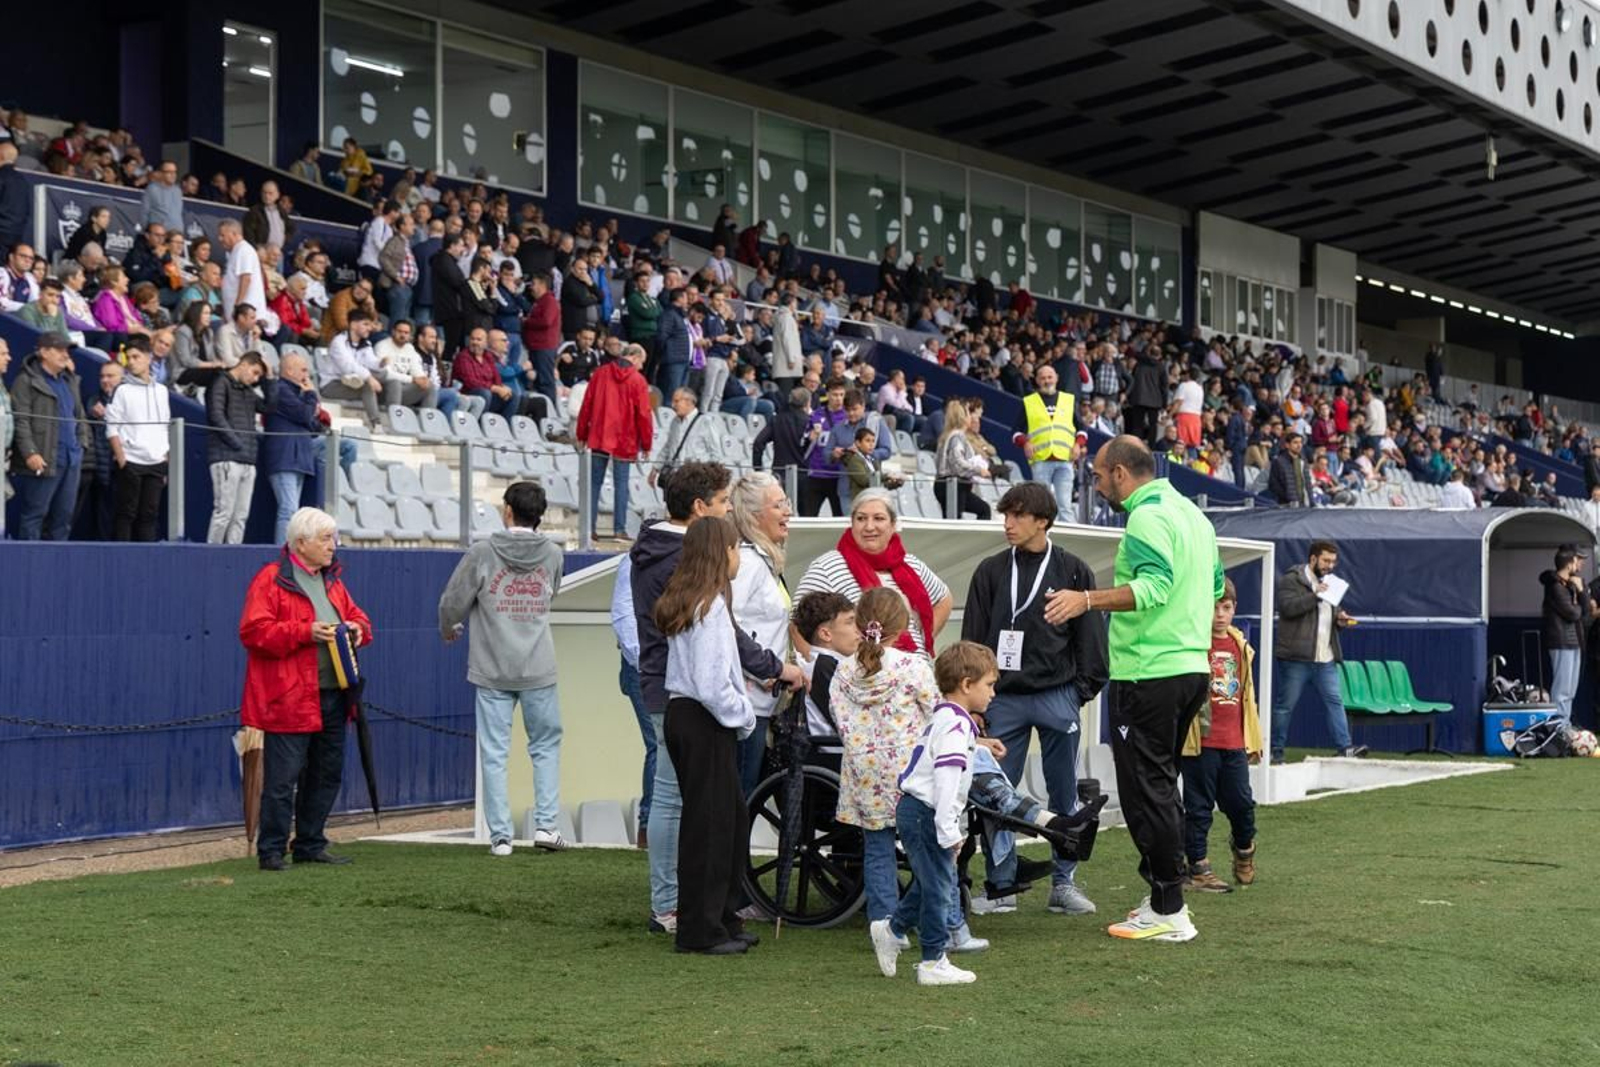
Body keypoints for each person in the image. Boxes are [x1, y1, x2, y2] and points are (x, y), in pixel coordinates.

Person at [1045, 436, 1221, 943]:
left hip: (1149, 671)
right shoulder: (1195, 517)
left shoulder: (1146, 517)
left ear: (1120, 473)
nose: (1098, 485)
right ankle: (1166, 895)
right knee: (1161, 784)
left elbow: (1154, 588)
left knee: (1147, 790)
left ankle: (1168, 906)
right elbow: (1214, 588)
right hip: (1190, 667)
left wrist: (1085, 600)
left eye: (1099, 476)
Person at [631, 463, 803, 936]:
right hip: (691, 699)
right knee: (687, 806)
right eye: (724, 502)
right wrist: (755, 693)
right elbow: (721, 642)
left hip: (680, 693)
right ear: (699, 507)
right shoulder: (691, 574)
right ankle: (680, 907)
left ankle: (696, 907)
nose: (730, 511)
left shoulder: (667, 559)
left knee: (697, 806)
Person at [961, 481, 1107, 914]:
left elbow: (1091, 640)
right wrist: (973, 705)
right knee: (994, 796)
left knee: (1064, 795)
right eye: (1005, 515)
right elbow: (972, 639)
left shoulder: (1074, 569)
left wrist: (1078, 694)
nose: (1007, 523)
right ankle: (1002, 886)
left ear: (1042, 521)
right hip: (1001, 699)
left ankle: (1063, 884)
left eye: (1017, 515)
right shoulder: (990, 570)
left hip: (1058, 695)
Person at [438, 481, 568, 855]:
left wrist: (449, 627)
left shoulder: (482, 552)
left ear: (507, 511)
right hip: (538, 664)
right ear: (539, 515)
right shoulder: (553, 554)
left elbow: (452, 601)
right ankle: (547, 826)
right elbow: (551, 594)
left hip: (491, 665)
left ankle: (500, 837)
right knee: (545, 746)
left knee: (494, 752)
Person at [240, 506, 372, 871]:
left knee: (326, 774)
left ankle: (310, 842)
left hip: (333, 695)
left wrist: (358, 630)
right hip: (290, 697)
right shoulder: (270, 579)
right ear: (301, 543)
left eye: (333, 538)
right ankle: (271, 850)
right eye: (326, 539)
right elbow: (253, 632)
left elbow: (359, 617)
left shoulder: (331, 581)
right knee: (282, 779)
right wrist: (303, 632)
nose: (333, 546)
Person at [655, 516, 761, 956]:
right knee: (711, 827)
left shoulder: (692, 600)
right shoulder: (709, 606)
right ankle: (701, 930)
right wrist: (745, 716)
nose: (739, 557)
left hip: (688, 715)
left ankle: (722, 917)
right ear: (722, 553)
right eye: (735, 548)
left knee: (726, 820)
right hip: (705, 719)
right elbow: (712, 683)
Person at [868, 641, 998, 986]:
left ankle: (892, 931)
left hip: (919, 811)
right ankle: (932, 960)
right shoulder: (956, 727)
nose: (993, 693)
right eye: (989, 684)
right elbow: (946, 778)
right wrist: (948, 829)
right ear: (966, 684)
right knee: (940, 887)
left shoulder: (946, 717)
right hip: (926, 813)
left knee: (931, 882)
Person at [832, 587, 941, 926]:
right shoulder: (913, 666)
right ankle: (932, 916)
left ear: (859, 624)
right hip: (911, 772)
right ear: (902, 627)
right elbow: (938, 713)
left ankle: (883, 923)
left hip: (864, 771)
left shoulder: (843, 671)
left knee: (877, 850)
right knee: (922, 849)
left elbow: (838, 718)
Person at [794, 489, 954, 655]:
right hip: (858, 670)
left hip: (914, 668)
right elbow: (797, 626)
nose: (869, 527)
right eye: (861, 518)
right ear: (852, 523)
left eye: (878, 518)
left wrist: (923, 641)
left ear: (893, 524)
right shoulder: (826, 568)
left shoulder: (911, 564)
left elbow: (944, 599)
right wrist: (819, 667)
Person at [1181, 577, 1260, 894]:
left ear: (1234, 609)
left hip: (1234, 741)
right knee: (1198, 808)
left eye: (1226, 608)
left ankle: (1244, 849)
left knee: (1242, 804)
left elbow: (1247, 697)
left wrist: (1252, 738)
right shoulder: (1193, 642)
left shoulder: (1241, 645)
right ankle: (1198, 867)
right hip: (1200, 743)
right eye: (1214, 608)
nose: (1220, 615)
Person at [1269, 540, 1367, 760]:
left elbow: (1329, 612)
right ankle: (1276, 751)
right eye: (1326, 561)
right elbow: (1287, 608)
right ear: (1313, 558)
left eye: (1333, 562)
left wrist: (1340, 619)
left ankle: (1345, 748)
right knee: (1285, 706)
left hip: (1326, 658)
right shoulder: (1291, 579)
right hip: (1296, 658)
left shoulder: (1330, 582)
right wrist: (1315, 595)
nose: (1329, 566)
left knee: (1335, 702)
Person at [728, 473, 794, 796]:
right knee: (739, 799)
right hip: (746, 703)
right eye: (779, 505)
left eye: (787, 503)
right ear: (754, 515)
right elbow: (727, 626)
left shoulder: (765, 562)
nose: (788, 512)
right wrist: (763, 670)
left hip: (761, 704)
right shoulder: (748, 564)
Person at [9, 333, 89, 540]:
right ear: (43, 352)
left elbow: (80, 416)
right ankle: (29, 559)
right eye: (60, 349)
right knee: (35, 515)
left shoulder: (69, 381)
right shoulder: (25, 381)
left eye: (67, 350)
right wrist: (30, 453)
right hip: (43, 460)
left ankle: (58, 560)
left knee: (64, 517)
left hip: (71, 460)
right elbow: (21, 420)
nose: (66, 355)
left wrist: (81, 446)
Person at [578, 342, 654, 543]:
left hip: (599, 434)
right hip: (625, 438)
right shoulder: (638, 380)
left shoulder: (600, 373)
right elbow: (644, 415)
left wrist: (582, 433)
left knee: (594, 483)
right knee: (621, 484)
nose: (641, 367)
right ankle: (619, 529)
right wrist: (646, 444)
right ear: (635, 357)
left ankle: (589, 528)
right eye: (641, 362)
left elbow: (587, 404)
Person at [105, 337, 171, 542]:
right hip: (131, 461)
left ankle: (147, 557)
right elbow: (112, 427)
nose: (132, 362)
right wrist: (122, 458)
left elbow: (165, 425)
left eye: (136, 357)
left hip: (156, 462)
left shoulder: (162, 391)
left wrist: (165, 457)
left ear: (149, 358)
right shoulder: (122, 390)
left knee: (149, 515)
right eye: (129, 357)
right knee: (126, 513)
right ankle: (121, 556)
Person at [611, 552, 655, 850]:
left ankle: (653, 826)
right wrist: (645, 662)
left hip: (657, 664)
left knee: (663, 746)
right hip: (646, 667)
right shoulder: (635, 560)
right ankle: (647, 828)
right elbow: (623, 615)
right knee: (659, 746)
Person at [261, 352, 327, 544]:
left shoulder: (299, 393)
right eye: (303, 370)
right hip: (285, 457)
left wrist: (310, 405)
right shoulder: (281, 389)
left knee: (293, 511)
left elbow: (313, 425)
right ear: (289, 370)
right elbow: (304, 415)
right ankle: (283, 553)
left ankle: (288, 551)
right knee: (288, 510)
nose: (307, 375)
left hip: (299, 457)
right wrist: (311, 395)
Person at [205, 351, 269, 544]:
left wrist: (270, 379)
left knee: (240, 516)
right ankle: (211, 555)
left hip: (247, 459)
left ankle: (234, 553)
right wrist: (237, 443)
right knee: (224, 513)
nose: (256, 379)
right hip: (226, 457)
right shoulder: (220, 382)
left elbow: (269, 407)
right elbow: (216, 416)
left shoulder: (248, 391)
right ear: (243, 364)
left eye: (259, 376)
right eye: (255, 373)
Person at [1011, 364, 1081, 522]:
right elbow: (1015, 433)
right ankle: (1043, 536)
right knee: (1041, 506)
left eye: (1050, 377)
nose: (1047, 381)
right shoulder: (1029, 402)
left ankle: (1067, 537)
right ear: (1037, 380)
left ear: (1056, 378)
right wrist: (1025, 443)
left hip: (1065, 460)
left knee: (1065, 506)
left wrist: (1078, 444)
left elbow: (1082, 429)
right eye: (1043, 378)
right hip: (1041, 461)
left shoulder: (1069, 400)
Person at [1542, 543, 1589, 722]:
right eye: (1578, 560)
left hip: (1573, 642)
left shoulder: (1568, 585)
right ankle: (1559, 727)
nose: (1581, 563)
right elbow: (1574, 613)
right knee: (1562, 690)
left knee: (1570, 690)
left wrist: (1580, 591)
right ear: (1569, 563)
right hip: (1561, 642)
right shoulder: (1555, 587)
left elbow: (1584, 612)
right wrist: (1581, 594)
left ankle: (1564, 724)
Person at [319, 310, 384, 427]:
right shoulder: (338, 341)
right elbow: (348, 366)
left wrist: (381, 364)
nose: (369, 328)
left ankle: (394, 417)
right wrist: (369, 378)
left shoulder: (365, 343)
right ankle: (377, 424)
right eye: (365, 324)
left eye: (370, 325)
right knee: (367, 386)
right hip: (332, 384)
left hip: (352, 380)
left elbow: (370, 361)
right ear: (353, 325)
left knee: (386, 377)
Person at [936, 399, 994, 520]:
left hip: (952, 485)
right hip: (953, 485)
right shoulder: (957, 437)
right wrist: (979, 470)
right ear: (963, 417)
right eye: (968, 413)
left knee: (983, 509)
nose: (971, 417)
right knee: (954, 521)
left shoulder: (949, 435)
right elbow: (958, 464)